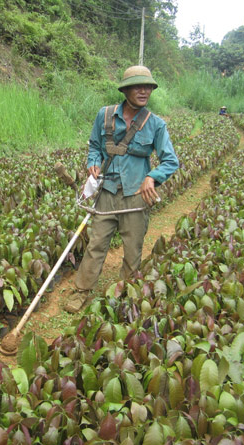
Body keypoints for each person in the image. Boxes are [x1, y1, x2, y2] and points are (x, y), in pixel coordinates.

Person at [64, 65, 179, 313]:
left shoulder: (156, 125)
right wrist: (92, 162)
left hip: (135, 197)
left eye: (148, 86)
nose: (144, 90)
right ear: (126, 89)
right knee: (96, 244)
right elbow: (95, 145)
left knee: (132, 248)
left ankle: (125, 294)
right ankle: (81, 291)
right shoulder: (104, 116)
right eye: (138, 86)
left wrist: (152, 177)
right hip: (107, 191)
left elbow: (171, 161)